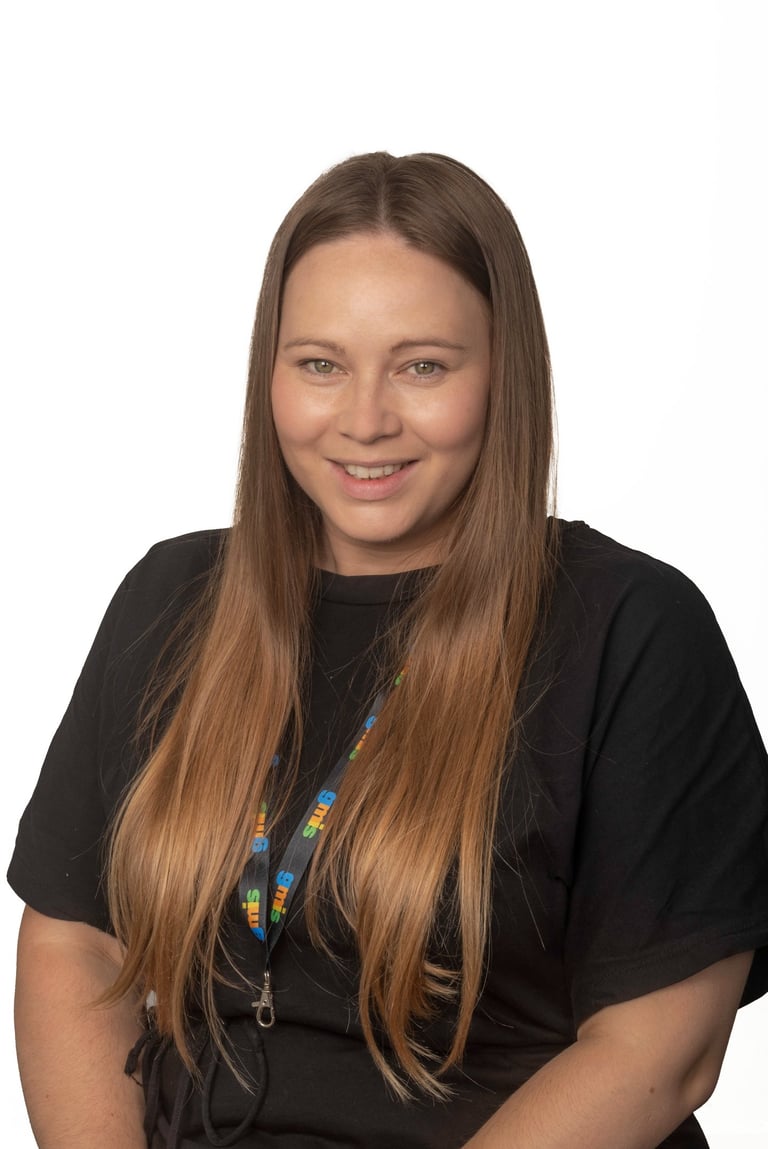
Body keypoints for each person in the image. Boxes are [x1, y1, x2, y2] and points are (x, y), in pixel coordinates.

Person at [9, 151, 768, 1149]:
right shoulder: (172, 597)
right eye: (320, 365)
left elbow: (661, 1050)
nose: (365, 420)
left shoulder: (633, 629)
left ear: (504, 376)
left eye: (423, 366)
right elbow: (75, 943)